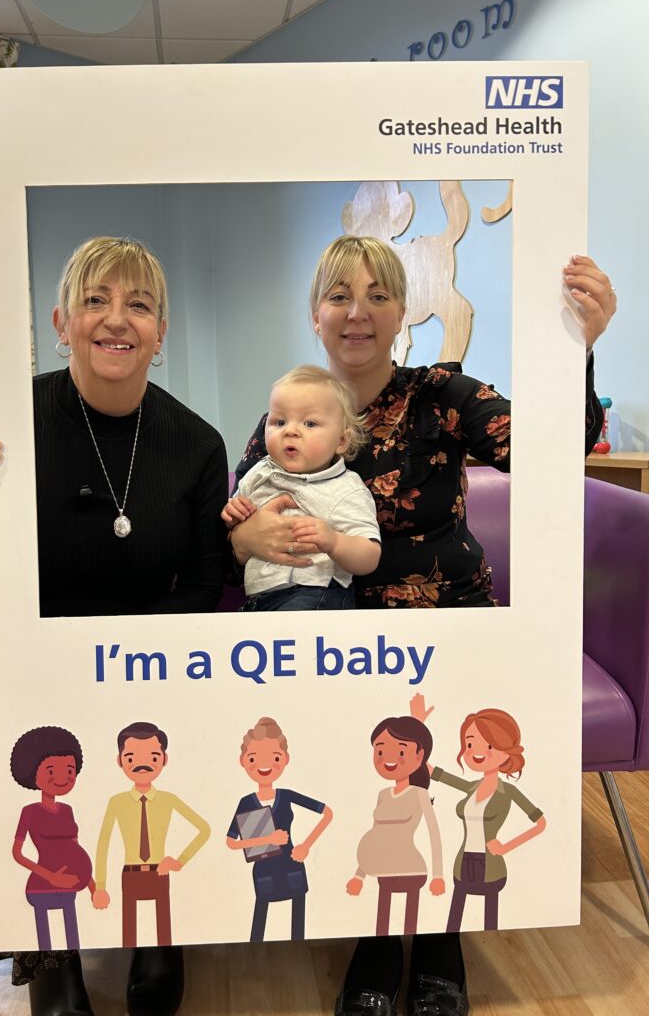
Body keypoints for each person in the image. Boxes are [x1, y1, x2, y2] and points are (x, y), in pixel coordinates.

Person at [229, 235, 616, 1016]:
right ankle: (375, 937)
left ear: (403, 311)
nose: (358, 311)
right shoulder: (294, 409)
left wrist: (583, 348)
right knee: (366, 789)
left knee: (450, 789)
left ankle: (441, 938)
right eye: (340, 295)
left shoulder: (443, 393)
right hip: (341, 638)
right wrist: (245, 536)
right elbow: (236, 517)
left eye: (378, 295)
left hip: (455, 627)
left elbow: (552, 450)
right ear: (316, 314)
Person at [0, 236, 228, 1016]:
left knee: (186, 728)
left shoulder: (196, 444)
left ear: (162, 332)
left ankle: (162, 927)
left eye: (139, 304)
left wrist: (131, 657)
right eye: (95, 300)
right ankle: (48, 956)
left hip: (143, 645)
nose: (116, 320)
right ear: (61, 321)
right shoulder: (6, 423)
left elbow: (206, 580)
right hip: (21, 648)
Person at [222, 365, 381, 610]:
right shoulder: (259, 473)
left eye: (309, 423)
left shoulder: (345, 488)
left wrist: (335, 542)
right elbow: (231, 524)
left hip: (316, 594)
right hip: (258, 599)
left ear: (341, 441)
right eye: (280, 421)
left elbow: (370, 555)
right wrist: (234, 513)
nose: (291, 431)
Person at [409, 698, 545, 934]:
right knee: (454, 916)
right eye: (470, 745)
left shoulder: (508, 791)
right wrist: (418, 725)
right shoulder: (471, 787)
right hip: (464, 863)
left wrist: (507, 846)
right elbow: (430, 770)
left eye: (489, 746)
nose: (477, 753)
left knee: (490, 921)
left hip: (490, 864)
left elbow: (540, 823)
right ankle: (445, 945)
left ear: (506, 750)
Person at [93, 722, 210, 949]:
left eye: (153, 757)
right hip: (130, 874)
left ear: (164, 759)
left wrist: (179, 860)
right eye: (131, 758)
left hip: (159, 872)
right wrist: (100, 886)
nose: (142, 764)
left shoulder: (168, 799)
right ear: (120, 760)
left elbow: (203, 829)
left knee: (165, 935)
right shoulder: (116, 802)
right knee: (128, 935)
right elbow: (103, 844)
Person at [226, 716, 333, 941]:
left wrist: (306, 845)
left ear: (285, 759)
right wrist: (266, 840)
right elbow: (231, 841)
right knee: (258, 927)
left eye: (274, 757)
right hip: (264, 871)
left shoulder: (287, 796)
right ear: (243, 760)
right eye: (254, 758)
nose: (264, 766)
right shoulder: (246, 802)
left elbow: (327, 813)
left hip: (292, 865)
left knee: (298, 929)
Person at [347, 715, 444, 937]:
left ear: (419, 756)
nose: (388, 759)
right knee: (381, 927)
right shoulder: (383, 795)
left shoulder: (420, 794)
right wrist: (359, 875)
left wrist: (438, 876)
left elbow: (434, 834)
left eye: (401, 752)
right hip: (383, 868)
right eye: (380, 751)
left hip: (412, 868)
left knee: (412, 924)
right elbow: (375, 837)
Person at [10, 726, 95, 952]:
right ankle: (48, 967)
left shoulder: (67, 809)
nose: (61, 778)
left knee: (72, 935)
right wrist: (50, 877)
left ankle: (70, 962)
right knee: (44, 940)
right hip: (40, 886)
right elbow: (18, 853)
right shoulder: (30, 811)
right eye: (50, 771)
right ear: (32, 772)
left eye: (69, 770)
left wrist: (93, 887)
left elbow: (77, 850)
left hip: (70, 883)